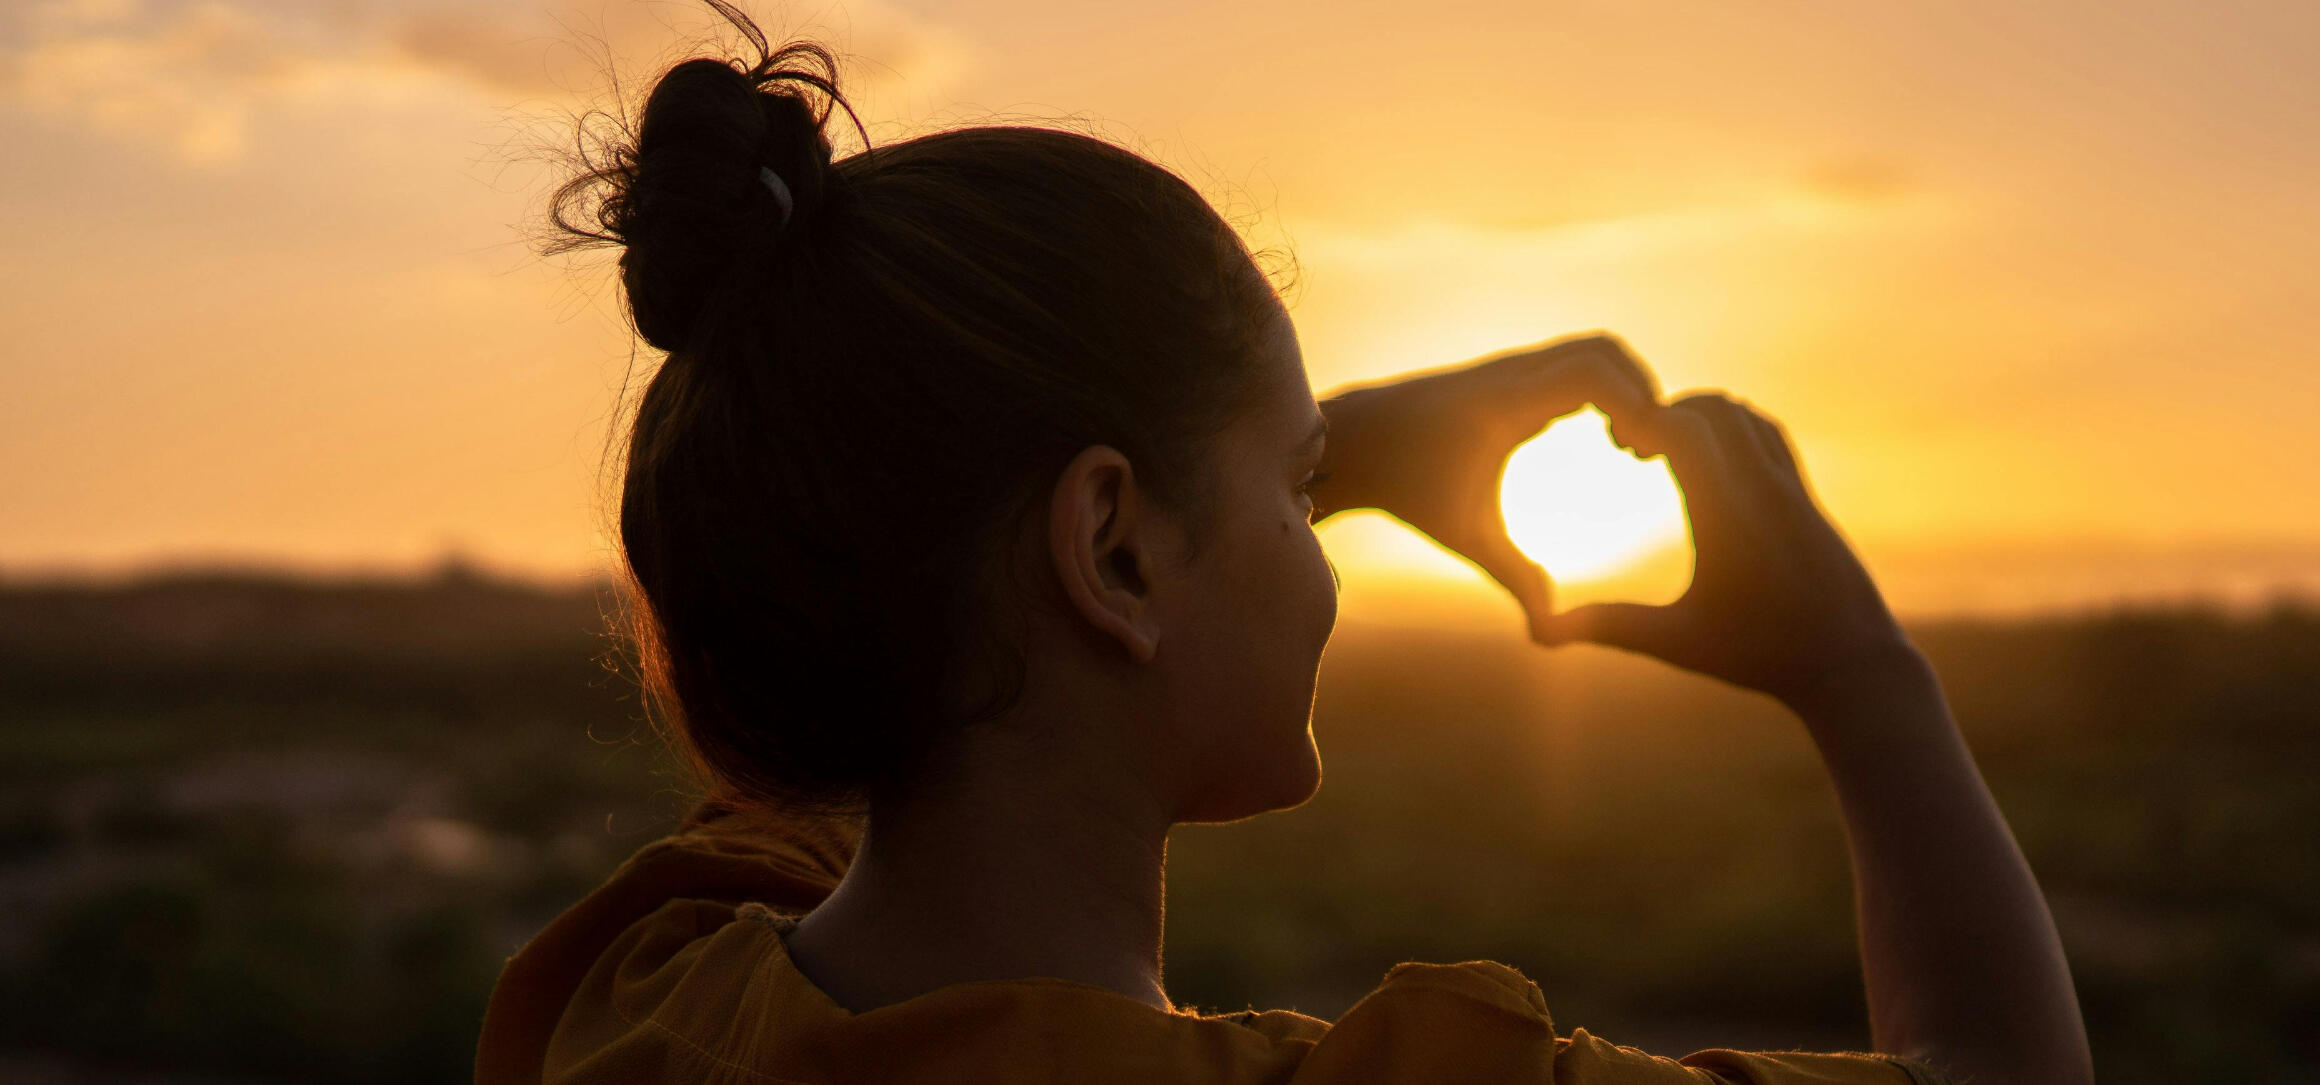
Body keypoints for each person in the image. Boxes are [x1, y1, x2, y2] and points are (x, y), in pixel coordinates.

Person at [474, 8, 2093, 1084]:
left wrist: (1284, 457)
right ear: (1111, 551)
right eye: (1299, 488)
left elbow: (873, 589)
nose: (1320, 549)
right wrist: (1858, 672)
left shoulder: (650, 993)